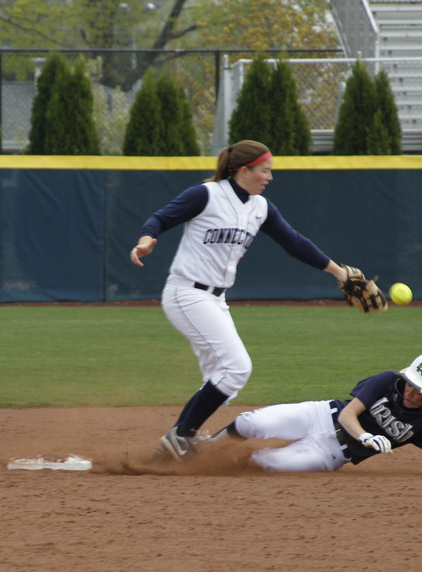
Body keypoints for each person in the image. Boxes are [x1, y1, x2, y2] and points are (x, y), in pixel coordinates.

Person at [130, 139, 355, 460]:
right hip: (186, 293)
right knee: (237, 367)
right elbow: (161, 218)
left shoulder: (260, 207)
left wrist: (339, 272)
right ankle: (180, 437)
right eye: (264, 170)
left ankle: (180, 439)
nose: (270, 177)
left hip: (216, 300)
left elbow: (294, 242)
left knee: (222, 384)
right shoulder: (206, 195)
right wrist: (146, 240)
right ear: (244, 170)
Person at [201, 352, 422, 476]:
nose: (410, 391)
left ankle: (225, 463)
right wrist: (366, 435)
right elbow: (349, 415)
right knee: (252, 422)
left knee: (268, 464)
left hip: (329, 455)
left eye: (419, 391)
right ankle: (207, 447)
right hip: (319, 415)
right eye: (410, 383)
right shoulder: (386, 380)